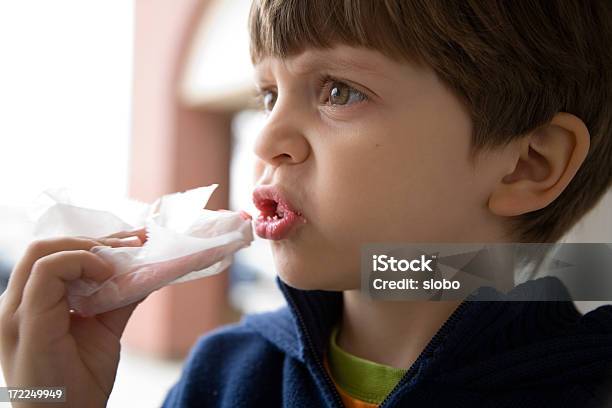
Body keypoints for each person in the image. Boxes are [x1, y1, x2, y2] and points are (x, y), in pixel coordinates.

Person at [2, 0, 612, 407]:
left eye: (338, 92)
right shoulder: (225, 376)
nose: (265, 139)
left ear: (528, 164)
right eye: (267, 95)